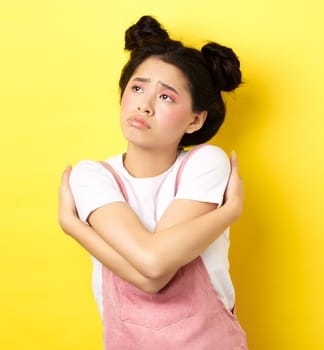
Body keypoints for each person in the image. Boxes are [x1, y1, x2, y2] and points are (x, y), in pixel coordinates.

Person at [57, 15, 248, 349]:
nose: (144, 105)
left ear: (195, 119)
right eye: (138, 87)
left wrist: (76, 227)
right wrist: (229, 211)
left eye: (166, 97)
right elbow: (153, 268)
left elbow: (155, 268)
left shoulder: (205, 163)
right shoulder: (92, 176)